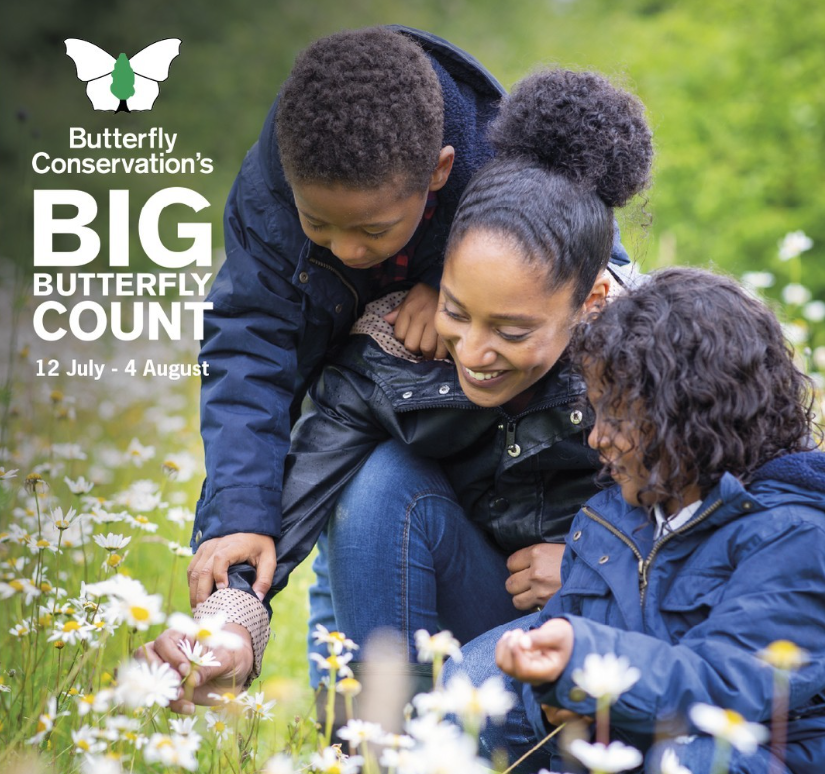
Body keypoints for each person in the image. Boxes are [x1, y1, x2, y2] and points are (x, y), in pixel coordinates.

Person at [140, 67, 651, 711]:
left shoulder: (657, 367)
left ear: (592, 301)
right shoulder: (399, 346)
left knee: (460, 697)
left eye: (512, 330)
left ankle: (416, 734)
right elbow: (297, 449)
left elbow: (738, 530)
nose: (474, 352)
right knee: (378, 476)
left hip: (615, 629)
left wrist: (592, 563)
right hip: (483, 596)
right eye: (459, 312)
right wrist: (233, 613)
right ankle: (381, 734)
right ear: (438, 274)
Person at [485, 268, 825, 773]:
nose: (596, 439)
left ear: (693, 414)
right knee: (475, 685)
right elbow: (565, 635)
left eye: (618, 418)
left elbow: (724, 686)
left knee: (700, 755)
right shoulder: (607, 520)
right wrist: (554, 690)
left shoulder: (794, 533)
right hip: (635, 745)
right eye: (595, 412)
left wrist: (582, 660)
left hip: (751, 756)